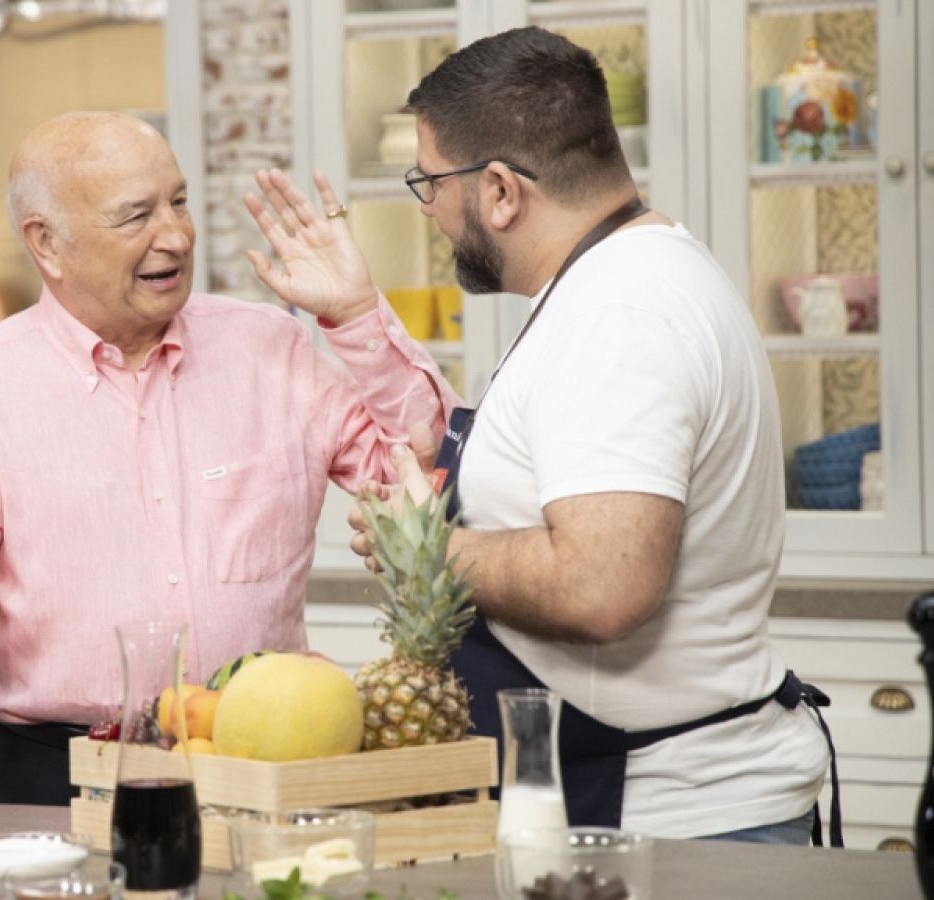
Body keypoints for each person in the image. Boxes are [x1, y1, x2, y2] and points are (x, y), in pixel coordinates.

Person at [0, 110, 463, 807]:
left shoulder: (277, 351)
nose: (175, 235)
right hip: (55, 782)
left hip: (266, 763)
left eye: (177, 201)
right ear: (46, 243)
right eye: (135, 216)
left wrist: (358, 317)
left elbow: (433, 476)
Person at [332, 28, 835, 844]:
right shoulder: (625, 277)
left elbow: (604, 584)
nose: (427, 208)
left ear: (499, 190)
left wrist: (421, 545)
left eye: (430, 180)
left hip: (671, 826)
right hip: (640, 805)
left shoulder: (618, 315)